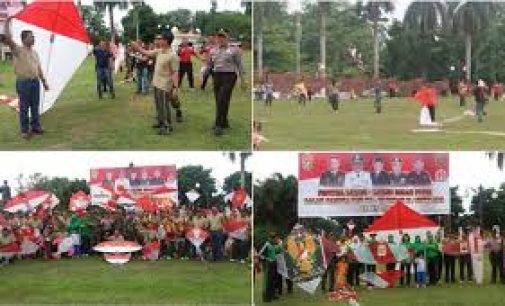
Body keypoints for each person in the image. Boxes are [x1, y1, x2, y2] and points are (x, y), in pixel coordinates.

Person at [4, 16, 49, 139]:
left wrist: (44, 82)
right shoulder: (18, 50)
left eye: (33, 36)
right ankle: (24, 130)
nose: (33, 38)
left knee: (35, 106)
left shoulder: (35, 52)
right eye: (31, 36)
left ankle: (36, 127)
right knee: (24, 107)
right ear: (24, 39)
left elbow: (38, 69)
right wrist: (7, 22)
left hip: (35, 83)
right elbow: (8, 39)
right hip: (24, 83)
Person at [132, 31, 183, 135]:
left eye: (161, 39)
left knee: (164, 106)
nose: (158, 40)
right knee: (159, 105)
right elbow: (147, 53)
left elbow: (175, 73)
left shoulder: (172, 55)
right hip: (156, 83)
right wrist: (137, 47)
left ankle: (167, 126)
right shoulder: (159, 51)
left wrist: (175, 88)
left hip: (165, 85)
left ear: (166, 41)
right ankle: (161, 122)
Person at [207, 29, 246, 136]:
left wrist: (243, 80)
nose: (221, 39)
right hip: (217, 76)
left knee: (222, 99)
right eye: (219, 37)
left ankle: (218, 125)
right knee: (220, 100)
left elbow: (240, 65)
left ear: (227, 38)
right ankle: (224, 121)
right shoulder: (213, 50)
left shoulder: (235, 50)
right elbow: (209, 64)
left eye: (223, 37)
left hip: (229, 76)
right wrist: (205, 75)